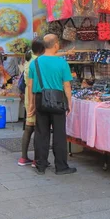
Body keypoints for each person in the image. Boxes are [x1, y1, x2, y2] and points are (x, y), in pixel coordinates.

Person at [27, 34, 76, 175]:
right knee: (59, 134)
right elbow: (66, 86)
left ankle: (41, 165)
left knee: (41, 133)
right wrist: (70, 102)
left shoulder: (34, 63)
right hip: (58, 99)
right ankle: (61, 166)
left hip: (40, 99)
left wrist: (31, 104)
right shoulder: (62, 63)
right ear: (55, 45)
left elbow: (30, 86)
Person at [18, 37, 45, 166]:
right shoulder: (37, 61)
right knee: (38, 129)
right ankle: (36, 159)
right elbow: (31, 84)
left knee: (29, 128)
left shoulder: (29, 57)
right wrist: (33, 104)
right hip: (34, 96)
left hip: (29, 98)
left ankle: (24, 157)